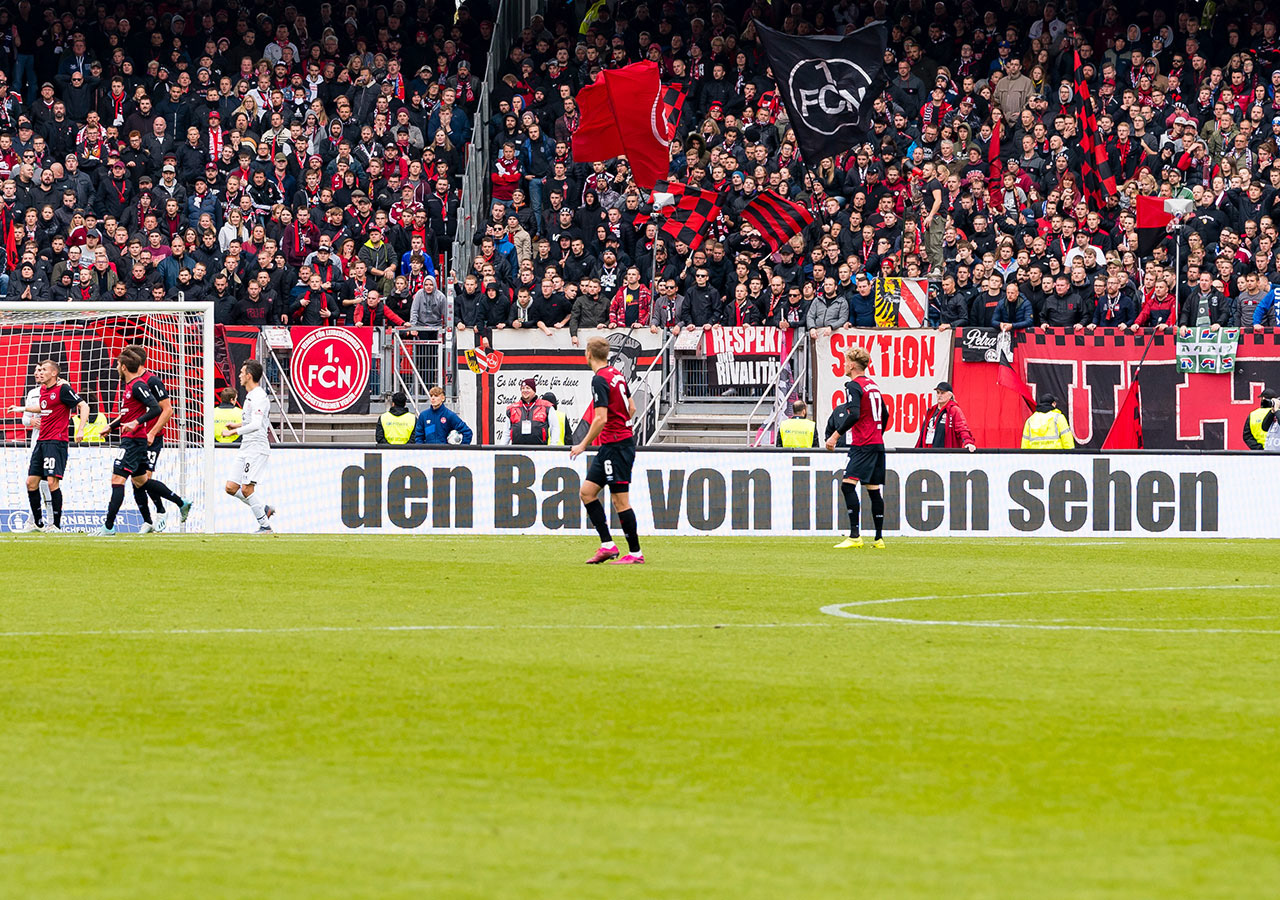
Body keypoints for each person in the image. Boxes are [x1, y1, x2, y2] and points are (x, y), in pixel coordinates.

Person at [571, 336, 642, 565]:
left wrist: (583, 444)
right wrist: (621, 424)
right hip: (612, 444)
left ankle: (635, 553)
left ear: (588, 354)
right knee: (587, 492)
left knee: (620, 501)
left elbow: (600, 418)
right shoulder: (617, 374)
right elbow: (632, 407)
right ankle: (608, 545)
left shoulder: (599, 379)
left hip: (617, 445)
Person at [8, 360, 88, 533]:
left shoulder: (63, 389)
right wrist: (21, 409)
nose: (40, 372)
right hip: (41, 441)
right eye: (40, 369)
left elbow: (84, 406)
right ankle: (37, 523)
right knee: (31, 482)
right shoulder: (44, 390)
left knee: (52, 482)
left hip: (56, 442)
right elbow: (43, 407)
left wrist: (81, 429)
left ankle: (55, 525)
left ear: (54, 373)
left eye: (44, 369)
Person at [824, 347, 890, 549]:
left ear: (852, 365)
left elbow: (853, 414)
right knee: (873, 490)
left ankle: (855, 536)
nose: (844, 365)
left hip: (863, 444)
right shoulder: (873, 385)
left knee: (847, 486)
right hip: (877, 443)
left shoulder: (854, 385)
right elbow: (885, 414)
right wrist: (877, 434)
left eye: (845, 362)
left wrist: (835, 436)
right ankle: (878, 539)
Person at [95, 348, 162, 536]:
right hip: (132, 438)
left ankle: (108, 526)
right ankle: (176, 503)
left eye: (117, 364)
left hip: (135, 440)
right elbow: (127, 415)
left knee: (118, 479)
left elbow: (158, 408)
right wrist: (112, 426)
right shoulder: (130, 385)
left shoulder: (140, 384)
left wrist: (139, 425)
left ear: (124, 366)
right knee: (141, 481)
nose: (116, 367)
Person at [125, 344, 192, 533]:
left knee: (144, 478)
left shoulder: (152, 380)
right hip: (136, 437)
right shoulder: (130, 381)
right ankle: (150, 520)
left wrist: (153, 432)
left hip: (151, 438)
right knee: (137, 479)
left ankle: (165, 510)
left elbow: (167, 410)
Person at [221, 360, 276, 533]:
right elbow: (251, 421)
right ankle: (262, 508)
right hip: (246, 446)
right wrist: (236, 425)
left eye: (242, 372)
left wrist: (233, 432)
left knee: (246, 489)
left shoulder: (259, 397)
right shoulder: (251, 396)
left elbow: (257, 425)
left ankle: (265, 526)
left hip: (256, 447)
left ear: (249, 376)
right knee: (231, 487)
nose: (239, 375)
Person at [915, 382, 977, 451]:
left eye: (942, 393)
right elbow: (923, 434)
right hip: (929, 452)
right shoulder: (931, 411)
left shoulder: (954, 410)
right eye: (938, 393)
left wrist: (968, 442)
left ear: (950, 395)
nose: (939, 395)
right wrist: (917, 451)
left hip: (946, 453)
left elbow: (962, 428)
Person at [507, 377, 552, 445]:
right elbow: (506, 432)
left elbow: (554, 428)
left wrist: (553, 446)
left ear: (534, 390)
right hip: (517, 448)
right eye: (523, 388)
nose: (525, 390)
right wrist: (501, 448)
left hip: (539, 449)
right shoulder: (512, 408)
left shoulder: (546, 406)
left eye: (528, 388)